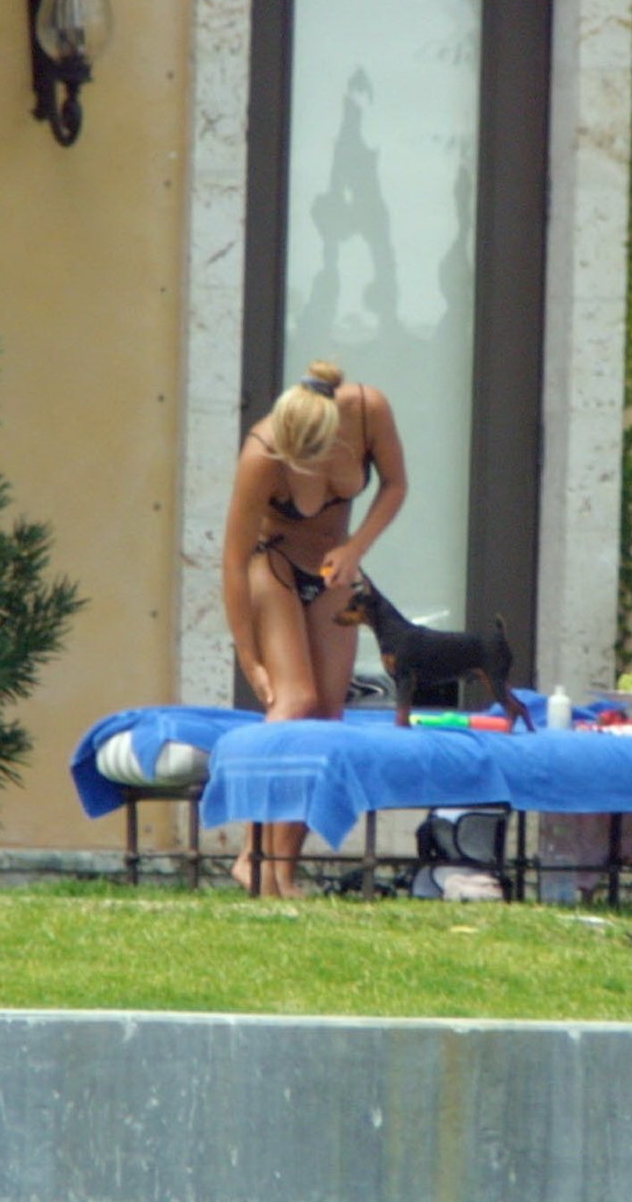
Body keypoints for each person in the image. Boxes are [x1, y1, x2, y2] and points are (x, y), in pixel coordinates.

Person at [221, 359, 408, 896]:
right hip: (272, 564)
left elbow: (395, 485)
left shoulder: (368, 411)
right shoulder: (262, 453)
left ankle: (283, 868)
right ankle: (252, 854)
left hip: (332, 568)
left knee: (327, 713)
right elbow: (232, 560)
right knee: (295, 700)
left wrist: (355, 548)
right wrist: (249, 658)